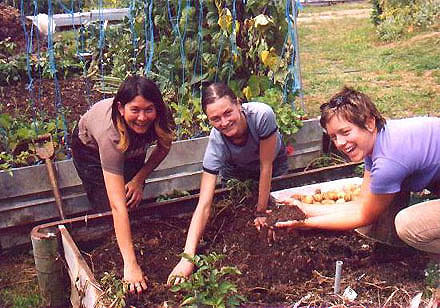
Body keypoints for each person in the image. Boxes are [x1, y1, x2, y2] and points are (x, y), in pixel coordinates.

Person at [275, 86, 440, 304]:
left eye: (345, 132)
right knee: (383, 199)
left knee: (407, 225)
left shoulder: (388, 163)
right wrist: (304, 209)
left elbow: (363, 216)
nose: (340, 143)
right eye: (334, 137)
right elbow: (364, 202)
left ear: (369, 122)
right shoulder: (379, 141)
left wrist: (306, 223)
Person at [167, 82, 289, 284]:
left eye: (228, 113)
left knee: (278, 208)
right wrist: (187, 258)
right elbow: (204, 204)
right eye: (215, 119)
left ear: (239, 104)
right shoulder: (217, 146)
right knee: (239, 207)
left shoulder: (261, 116)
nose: (224, 122)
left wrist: (261, 212)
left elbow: (265, 167)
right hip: (238, 171)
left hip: (272, 165)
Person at [70, 75, 173, 294]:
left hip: (130, 140)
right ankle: (117, 253)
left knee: (132, 194)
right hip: (90, 152)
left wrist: (138, 179)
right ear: (121, 107)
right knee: (110, 207)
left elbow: (164, 147)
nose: (143, 117)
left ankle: (130, 237)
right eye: (135, 109)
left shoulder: (160, 117)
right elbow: (117, 206)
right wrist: (131, 265)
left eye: (149, 110)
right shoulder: (111, 136)